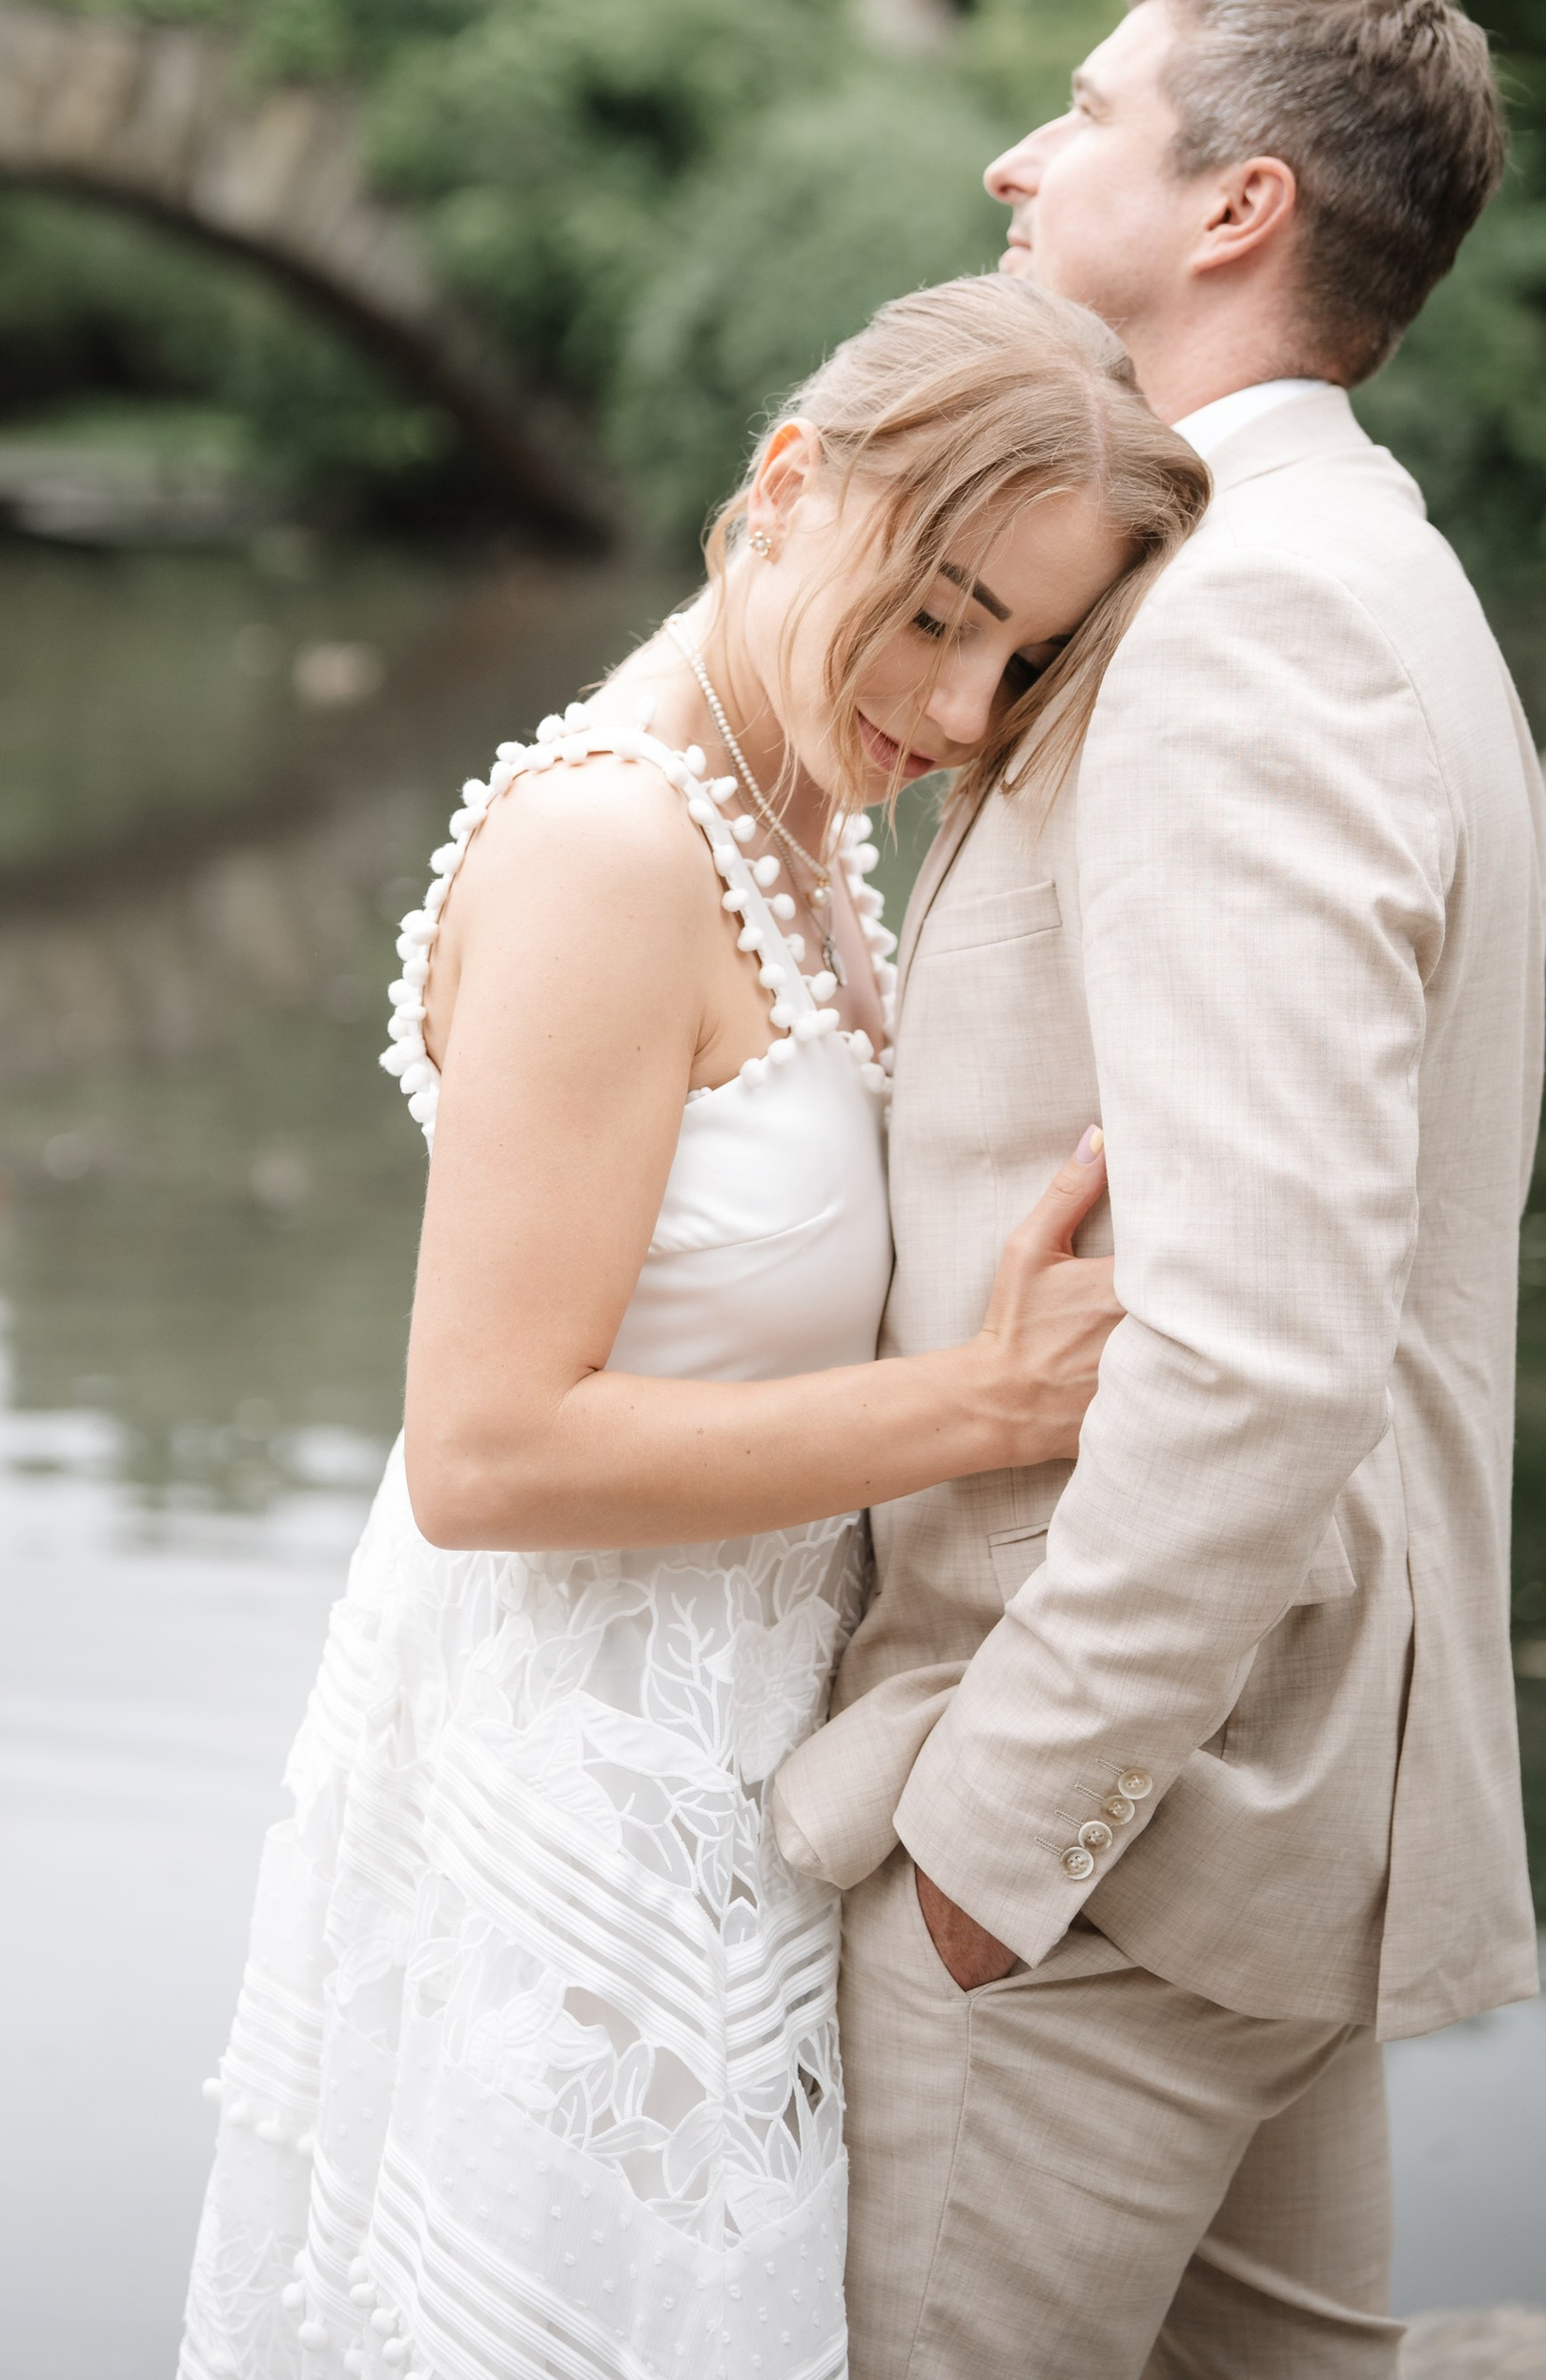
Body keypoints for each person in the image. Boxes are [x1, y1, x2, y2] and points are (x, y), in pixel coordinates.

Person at [177, 273, 1210, 2380]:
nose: (953, 703)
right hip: (578, 1780)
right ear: (781, 485)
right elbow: (483, 1458)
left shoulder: (800, 822)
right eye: (930, 615)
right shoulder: (606, 848)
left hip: (738, 1757)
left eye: (1017, 655)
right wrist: (981, 1402)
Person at [775, 0, 1545, 2377]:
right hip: (1282, 1796)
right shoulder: (1362, 567)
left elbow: (1265, 1347)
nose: (1019, 158)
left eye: (1091, 110)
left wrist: (998, 1852)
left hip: (1123, 1858)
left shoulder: (1255, 627)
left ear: (1239, 209)